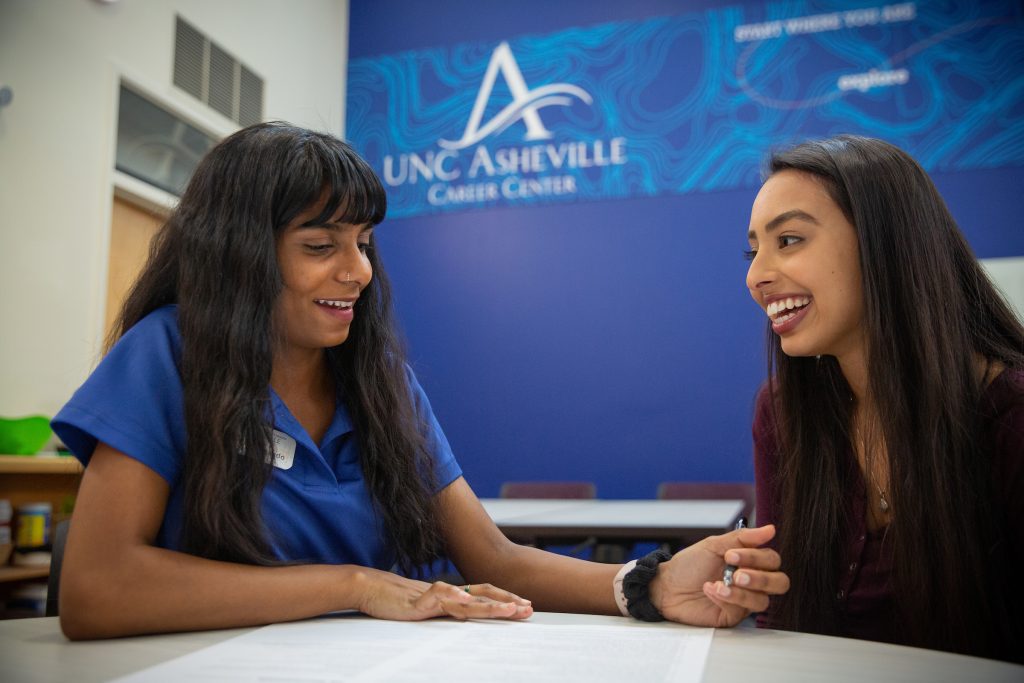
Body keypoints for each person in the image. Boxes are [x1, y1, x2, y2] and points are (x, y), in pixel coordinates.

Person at [52, 122, 788, 640]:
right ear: (238, 255)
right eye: (320, 245)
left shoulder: (382, 383)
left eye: (364, 243)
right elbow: (96, 589)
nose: (359, 271)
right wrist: (351, 583)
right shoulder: (166, 356)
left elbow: (491, 559)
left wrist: (649, 584)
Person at [744, 134, 1024, 662]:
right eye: (753, 249)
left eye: (789, 241)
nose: (755, 276)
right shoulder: (782, 412)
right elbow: (781, 616)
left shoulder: (1009, 418)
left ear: (887, 243)